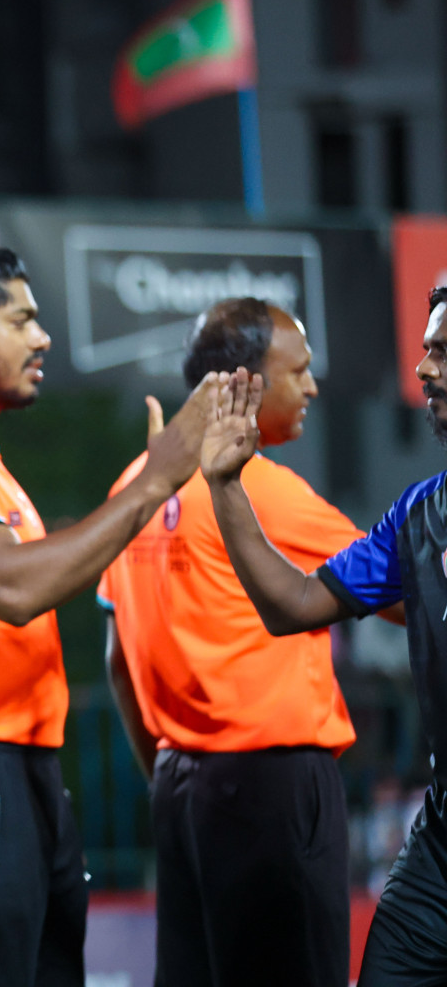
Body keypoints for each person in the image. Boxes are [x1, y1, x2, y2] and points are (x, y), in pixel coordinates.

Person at [0, 241, 208, 987]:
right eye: (23, 320)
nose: (43, 339)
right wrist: (148, 489)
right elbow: (8, 587)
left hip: (25, 767)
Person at [98, 298, 367, 986]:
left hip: (181, 789)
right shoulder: (264, 493)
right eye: (298, 371)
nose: (311, 387)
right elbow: (407, 591)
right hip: (272, 790)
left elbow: (116, 662)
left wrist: (168, 772)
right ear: (243, 382)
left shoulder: (133, 483)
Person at [199, 287, 447, 984]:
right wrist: (226, 486)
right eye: (426, 350)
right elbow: (294, 604)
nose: (425, 370)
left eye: (444, 352)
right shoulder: (420, 514)